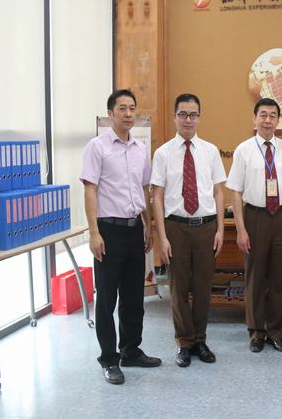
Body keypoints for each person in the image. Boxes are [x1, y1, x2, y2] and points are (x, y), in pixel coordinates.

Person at [80, 89, 161, 385]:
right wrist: (94, 233)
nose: (128, 114)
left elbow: (144, 190)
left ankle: (131, 350)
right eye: (122, 108)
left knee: (133, 296)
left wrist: (148, 225)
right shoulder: (97, 147)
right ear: (110, 113)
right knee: (106, 298)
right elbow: (90, 190)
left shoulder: (140, 148)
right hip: (108, 231)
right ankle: (109, 359)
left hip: (134, 229)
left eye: (132, 108)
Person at [151, 93, 226, 367]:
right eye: (182, 114)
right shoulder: (162, 153)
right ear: (175, 117)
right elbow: (157, 196)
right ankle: (184, 342)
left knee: (204, 287)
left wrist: (220, 229)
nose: (188, 120)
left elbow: (219, 192)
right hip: (176, 228)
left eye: (193, 114)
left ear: (199, 118)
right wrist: (162, 236)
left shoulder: (210, 151)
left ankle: (200, 340)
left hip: (206, 227)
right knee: (179, 288)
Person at [227, 98, 282, 353]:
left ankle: (276, 332)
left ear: (278, 120)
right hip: (254, 216)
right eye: (263, 115)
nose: (268, 120)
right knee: (255, 278)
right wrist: (241, 229)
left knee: (280, 278)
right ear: (255, 118)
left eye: (272, 115)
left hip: (281, 217)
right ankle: (257, 332)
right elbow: (236, 192)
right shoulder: (244, 150)